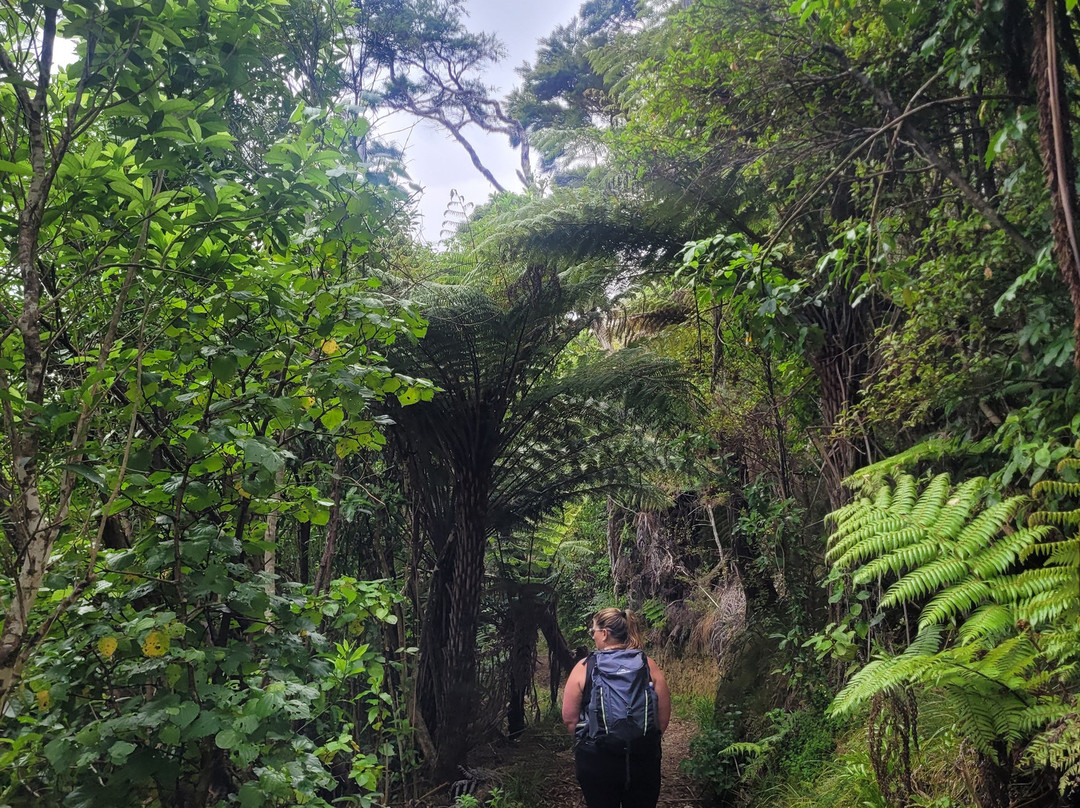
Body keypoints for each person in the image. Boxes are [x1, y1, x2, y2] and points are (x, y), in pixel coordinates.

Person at [561, 608, 672, 808]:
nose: (592, 635)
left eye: (593, 630)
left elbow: (570, 720)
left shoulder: (584, 667)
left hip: (597, 761)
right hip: (643, 759)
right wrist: (639, 740)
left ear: (604, 633)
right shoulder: (648, 665)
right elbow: (662, 719)